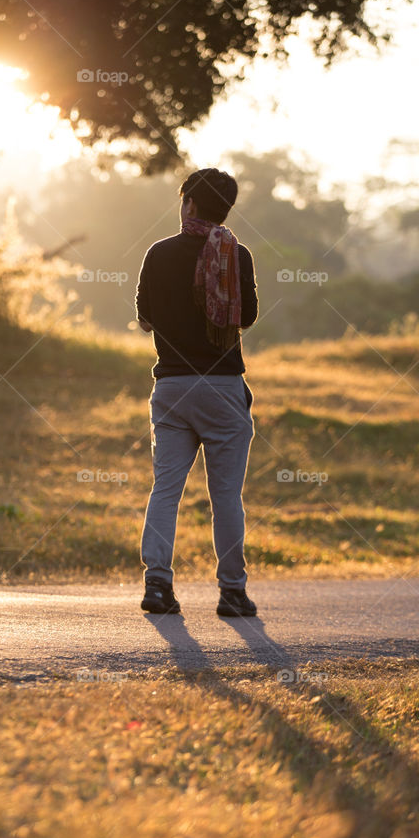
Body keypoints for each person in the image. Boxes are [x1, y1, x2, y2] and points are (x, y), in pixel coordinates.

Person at [135, 167, 258, 617]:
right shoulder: (236, 254)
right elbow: (246, 318)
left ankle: (158, 587)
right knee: (226, 496)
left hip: (170, 386)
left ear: (187, 202)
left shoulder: (159, 253)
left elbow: (145, 316)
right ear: (225, 208)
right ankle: (232, 592)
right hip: (223, 386)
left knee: (165, 489)